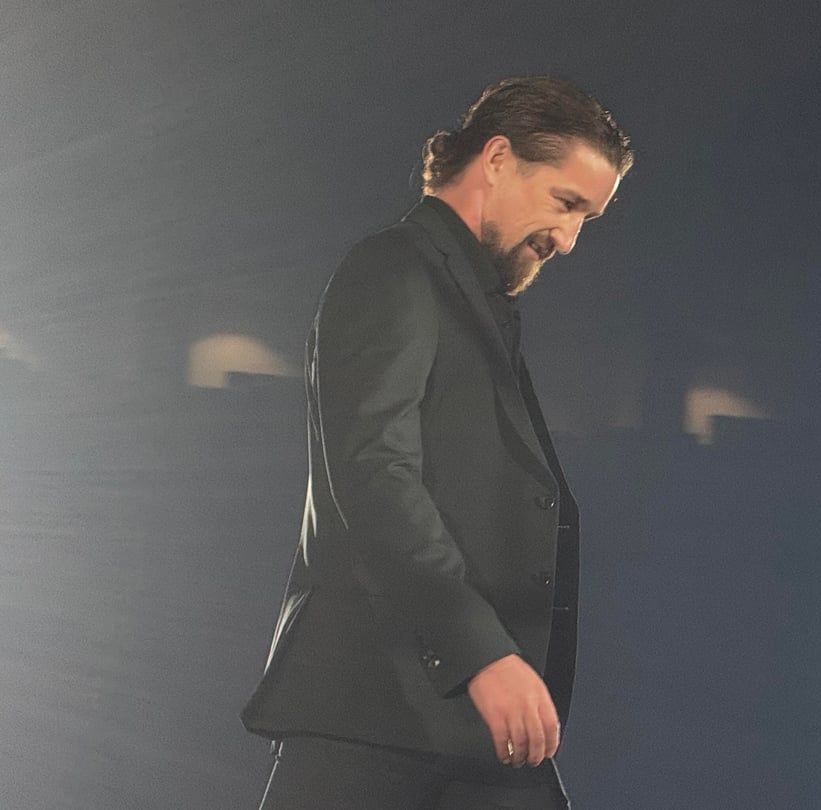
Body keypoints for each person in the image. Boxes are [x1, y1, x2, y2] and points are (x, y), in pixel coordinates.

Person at [241, 76, 633, 809]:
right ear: (497, 159)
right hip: (376, 707)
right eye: (566, 203)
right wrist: (483, 655)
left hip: (457, 719)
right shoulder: (393, 269)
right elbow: (375, 475)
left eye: (587, 218)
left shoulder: (466, 294)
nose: (568, 239)